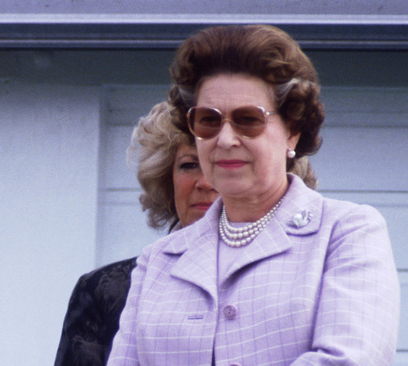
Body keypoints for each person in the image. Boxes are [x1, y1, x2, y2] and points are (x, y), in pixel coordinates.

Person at [108, 25, 399, 365]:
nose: (226, 139)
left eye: (248, 120)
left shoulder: (345, 232)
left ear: (292, 132)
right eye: (208, 120)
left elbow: (348, 361)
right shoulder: (158, 260)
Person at [55, 101, 317, 366]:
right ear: (165, 179)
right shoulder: (107, 290)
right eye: (190, 165)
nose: (206, 182)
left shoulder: (310, 276)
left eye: (231, 165)